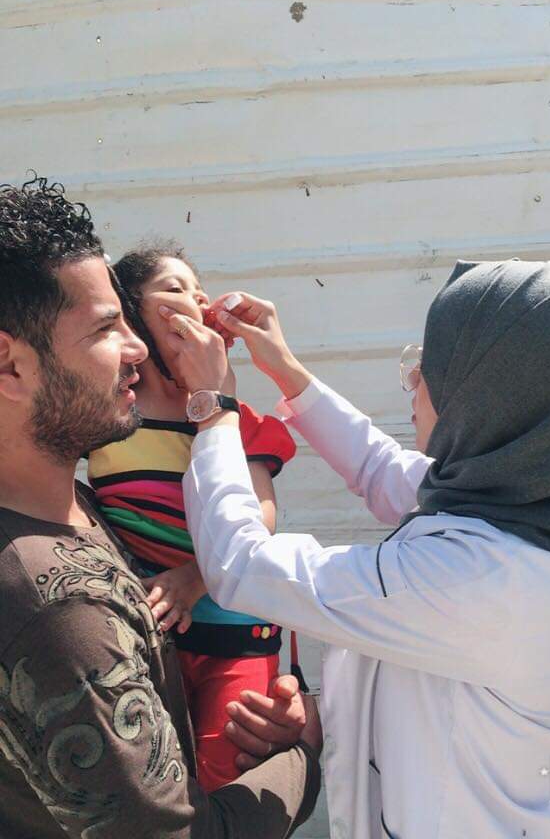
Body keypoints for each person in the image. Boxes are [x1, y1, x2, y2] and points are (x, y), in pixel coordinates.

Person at [158, 260, 550, 838]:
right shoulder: (537, 508)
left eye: (431, 367)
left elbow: (243, 565)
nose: (413, 379)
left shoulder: (489, 578)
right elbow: (380, 468)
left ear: (494, 402)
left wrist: (212, 407)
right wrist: (285, 369)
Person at [0, 176, 321, 839]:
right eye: (106, 327)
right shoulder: (56, 613)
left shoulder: (80, 507)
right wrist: (301, 757)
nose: (138, 347)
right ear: (10, 366)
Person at [86, 242, 296, 790]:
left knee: (225, 780)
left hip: (236, 634)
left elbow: (260, 518)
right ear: (131, 316)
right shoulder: (106, 418)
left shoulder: (234, 417)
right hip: (148, 639)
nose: (198, 300)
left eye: (200, 291)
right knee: (154, 786)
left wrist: (194, 578)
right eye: (174, 289)